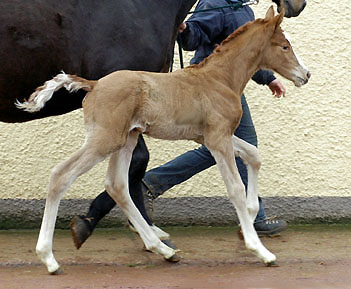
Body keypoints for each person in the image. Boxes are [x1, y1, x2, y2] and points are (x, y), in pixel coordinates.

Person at [70, 0, 287, 249]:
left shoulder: (243, 8)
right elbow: (193, 38)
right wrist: (185, 30)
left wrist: (268, 78)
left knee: (236, 147)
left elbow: (250, 56)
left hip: (229, 89)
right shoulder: (215, 3)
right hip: (207, 90)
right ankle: (151, 185)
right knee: (229, 146)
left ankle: (151, 187)